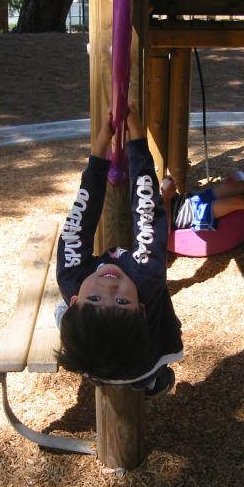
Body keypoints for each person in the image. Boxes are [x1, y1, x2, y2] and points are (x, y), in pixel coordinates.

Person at [55, 103, 182, 398]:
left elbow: (80, 221)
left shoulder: (71, 278)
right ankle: (150, 380)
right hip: (145, 352)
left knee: (103, 358)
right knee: (145, 368)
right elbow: (147, 211)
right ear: (140, 309)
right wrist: (137, 140)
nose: (109, 287)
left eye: (94, 298)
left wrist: (100, 149)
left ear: (74, 301)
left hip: (105, 344)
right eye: (122, 301)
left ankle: (126, 379)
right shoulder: (147, 278)